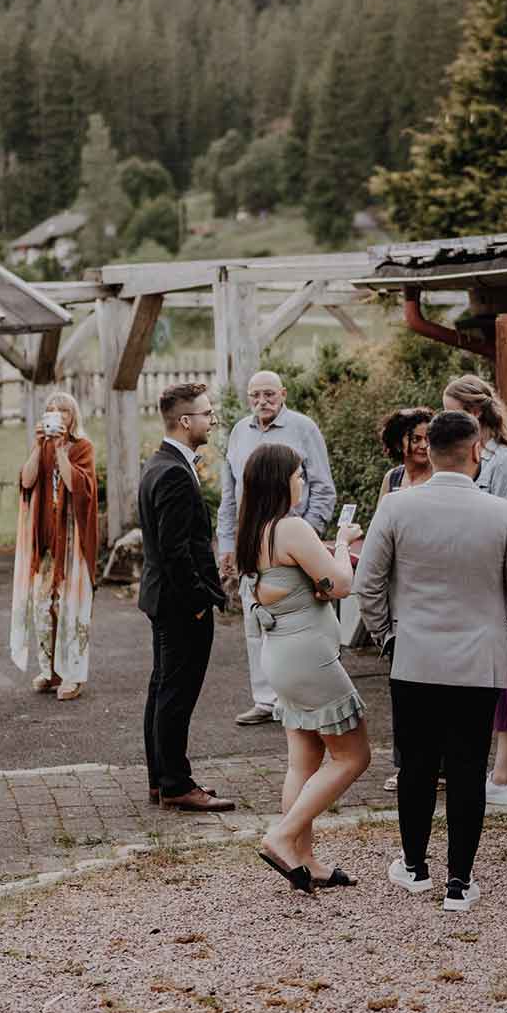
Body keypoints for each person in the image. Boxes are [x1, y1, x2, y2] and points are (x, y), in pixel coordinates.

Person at [355, 410, 507, 913]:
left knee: (416, 764)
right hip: (479, 662)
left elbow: (367, 585)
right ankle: (460, 882)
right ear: (476, 451)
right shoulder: (504, 514)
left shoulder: (395, 508)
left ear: (430, 452)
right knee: (466, 768)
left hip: (414, 657)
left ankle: (415, 867)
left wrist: (388, 636)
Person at [238, 444, 369, 892]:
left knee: (305, 760)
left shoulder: (253, 530)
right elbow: (342, 584)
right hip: (309, 659)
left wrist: (321, 580)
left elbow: (304, 586)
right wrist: (342, 544)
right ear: (280, 481)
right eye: (297, 475)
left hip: (279, 655)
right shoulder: (291, 528)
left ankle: (305, 860)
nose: (302, 482)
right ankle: (282, 835)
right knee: (354, 755)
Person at [215, 370, 335, 728]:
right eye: (255, 395)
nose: (261, 401)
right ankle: (264, 700)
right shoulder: (239, 431)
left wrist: (308, 536)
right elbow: (228, 494)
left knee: (297, 617)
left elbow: (322, 487)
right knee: (255, 620)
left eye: (269, 394)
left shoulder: (303, 428)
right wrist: (226, 544)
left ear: (283, 393)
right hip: (250, 541)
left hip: (291, 540)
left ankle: (300, 696)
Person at [137, 382, 236, 812]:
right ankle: (176, 783)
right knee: (175, 693)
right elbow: (176, 549)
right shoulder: (174, 471)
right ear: (185, 421)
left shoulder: (159, 463)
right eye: (206, 414)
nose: (211, 421)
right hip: (180, 604)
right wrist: (200, 600)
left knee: (163, 689)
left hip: (164, 599)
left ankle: (162, 779)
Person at [441, 373, 507, 806]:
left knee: (506, 680)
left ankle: (501, 778)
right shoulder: (475, 457)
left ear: (475, 413)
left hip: (497, 583)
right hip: (478, 581)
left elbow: (503, 527)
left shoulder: (501, 463)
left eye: (452, 410)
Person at [12, 391, 98, 701]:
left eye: (63, 411)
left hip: (73, 543)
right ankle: (50, 670)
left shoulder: (82, 447)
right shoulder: (43, 447)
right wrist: (38, 446)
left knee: (70, 607)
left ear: (73, 417)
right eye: (51, 411)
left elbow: (80, 487)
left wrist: (62, 448)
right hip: (47, 541)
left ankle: (73, 675)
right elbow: (26, 480)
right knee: (42, 606)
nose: (58, 415)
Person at [375, 405, 435, 793]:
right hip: (397, 596)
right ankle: (407, 764)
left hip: (427, 588)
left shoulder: (440, 477)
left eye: (429, 438)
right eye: (415, 438)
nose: (422, 445)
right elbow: (380, 526)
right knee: (403, 685)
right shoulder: (393, 479)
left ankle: (438, 763)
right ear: (400, 442)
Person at [376, 406, 436, 504]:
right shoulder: (392, 477)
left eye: (428, 438)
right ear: (397, 444)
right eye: (415, 439)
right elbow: (380, 517)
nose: (424, 445)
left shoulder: (438, 475)